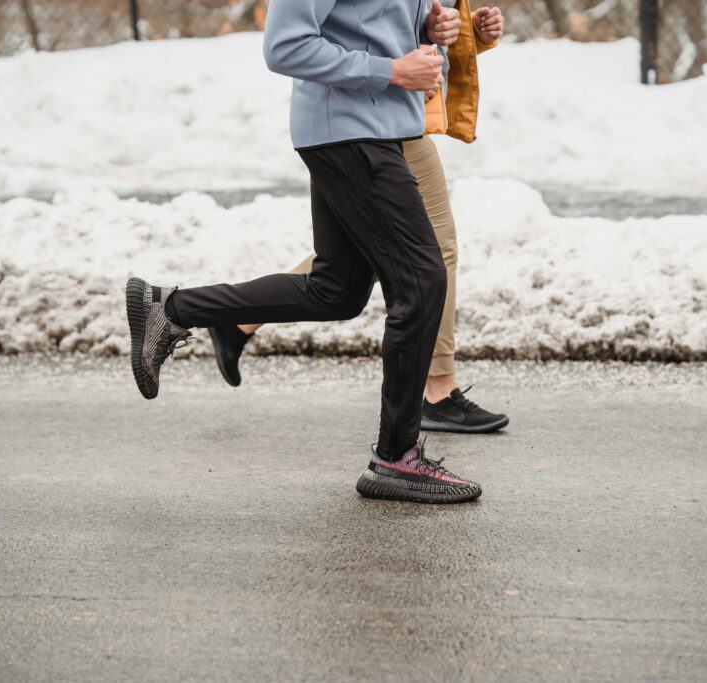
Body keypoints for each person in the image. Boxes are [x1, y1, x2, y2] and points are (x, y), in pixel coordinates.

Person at [126, 0, 482, 504]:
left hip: (377, 128)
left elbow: (366, 23)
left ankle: (171, 308)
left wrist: (427, 25)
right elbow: (285, 45)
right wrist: (391, 70)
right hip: (352, 131)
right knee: (422, 282)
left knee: (336, 291)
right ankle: (396, 458)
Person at [210, 1, 509, 435]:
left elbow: (385, 27)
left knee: (359, 258)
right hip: (362, 121)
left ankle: (230, 318)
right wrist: (394, 70)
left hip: (391, 115)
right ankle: (435, 392)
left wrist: (455, 32)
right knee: (428, 254)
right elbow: (291, 45)